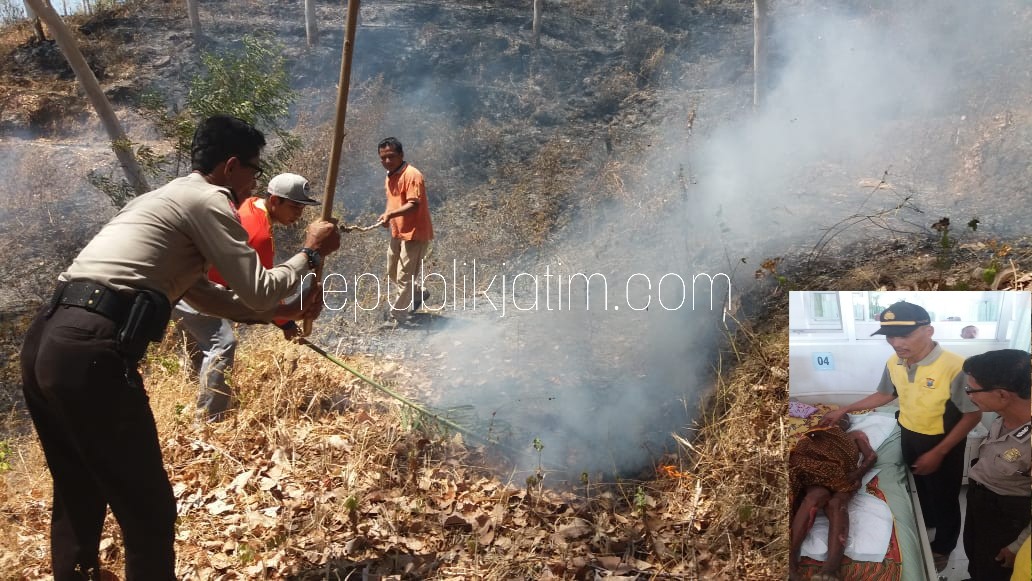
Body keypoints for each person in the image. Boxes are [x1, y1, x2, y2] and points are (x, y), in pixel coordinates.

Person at [19, 115, 340, 580]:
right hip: (91, 349)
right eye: (252, 168)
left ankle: (77, 571)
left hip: (48, 340)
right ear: (231, 166)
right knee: (148, 508)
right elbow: (257, 288)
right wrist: (310, 253)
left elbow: (203, 295)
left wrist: (282, 316)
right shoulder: (209, 199)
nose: (253, 179)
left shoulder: (163, 199)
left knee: (77, 486)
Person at [820, 301, 981, 572]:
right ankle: (928, 520)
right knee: (922, 485)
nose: (896, 342)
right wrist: (845, 409)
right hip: (909, 432)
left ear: (928, 331)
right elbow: (886, 395)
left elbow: (972, 415)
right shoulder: (894, 362)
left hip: (942, 441)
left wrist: (939, 452)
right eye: (890, 335)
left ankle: (944, 544)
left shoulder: (955, 367)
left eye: (904, 335)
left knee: (945, 496)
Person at [173, 172, 320, 420]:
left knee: (201, 346)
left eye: (302, 208)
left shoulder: (251, 204)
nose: (299, 214)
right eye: (294, 206)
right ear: (274, 201)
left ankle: (195, 392)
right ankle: (209, 420)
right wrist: (286, 323)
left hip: (184, 281)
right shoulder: (259, 234)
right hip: (199, 292)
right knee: (222, 344)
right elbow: (264, 290)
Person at [960, 349, 1030, 581]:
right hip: (982, 499)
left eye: (972, 390)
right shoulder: (1004, 415)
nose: (969, 395)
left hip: (1009, 517)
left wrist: (1018, 546)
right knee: (975, 552)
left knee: (995, 568)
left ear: (1002, 394)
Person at [789, 413, 878, 581]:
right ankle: (791, 560)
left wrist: (858, 473)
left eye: (842, 417)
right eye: (829, 417)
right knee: (815, 496)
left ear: (847, 423)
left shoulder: (855, 435)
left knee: (837, 503)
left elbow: (872, 456)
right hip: (816, 474)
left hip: (844, 476)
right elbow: (802, 450)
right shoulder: (815, 433)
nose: (836, 419)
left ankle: (831, 568)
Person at [375, 137, 433, 324]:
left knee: (404, 277)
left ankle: (397, 315)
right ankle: (418, 294)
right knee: (392, 271)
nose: (387, 161)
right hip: (398, 232)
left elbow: (413, 205)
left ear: (401, 155)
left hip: (414, 233)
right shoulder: (390, 175)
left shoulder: (412, 175)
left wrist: (390, 215)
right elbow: (394, 202)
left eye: (391, 157)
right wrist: (388, 215)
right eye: (383, 158)